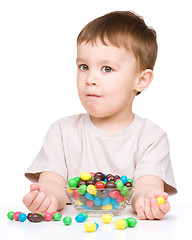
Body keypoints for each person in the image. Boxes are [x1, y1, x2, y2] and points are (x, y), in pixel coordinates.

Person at [23, 11, 177, 220]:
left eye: (107, 68)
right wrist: (47, 196)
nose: (90, 79)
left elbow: (147, 184)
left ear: (141, 80)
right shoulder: (62, 131)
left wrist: (148, 200)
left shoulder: (151, 137)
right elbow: (53, 182)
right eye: (84, 67)